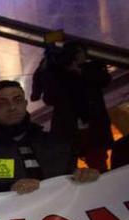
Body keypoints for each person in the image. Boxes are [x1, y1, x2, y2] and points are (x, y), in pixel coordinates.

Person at [0, 80, 99, 195]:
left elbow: (69, 176)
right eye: (2, 103)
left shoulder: (54, 143)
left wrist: (83, 176)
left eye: (17, 100)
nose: (12, 107)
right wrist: (9, 189)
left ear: (25, 104)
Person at [40, 41, 113, 172]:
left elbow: (105, 79)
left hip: (94, 128)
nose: (77, 56)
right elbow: (48, 98)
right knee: (67, 168)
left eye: (79, 52)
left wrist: (80, 71)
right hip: (67, 130)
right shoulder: (58, 74)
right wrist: (49, 71)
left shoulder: (92, 68)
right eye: (73, 53)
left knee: (99, 166)